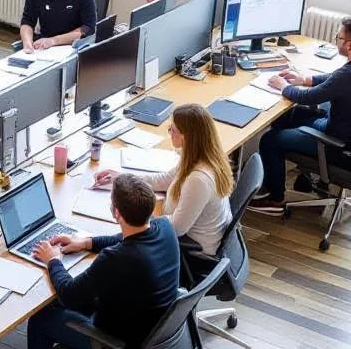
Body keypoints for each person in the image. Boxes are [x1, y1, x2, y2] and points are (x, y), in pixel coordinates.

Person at [251, 16, 351, 212]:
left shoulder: (350, 75)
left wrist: (283, 86)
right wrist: (304, 79)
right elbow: (335, 78)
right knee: (286, 117)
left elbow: (307, 97)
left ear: (349, 45)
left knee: (269, 140)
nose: (336, 40)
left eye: (338, 37)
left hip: (339, 146)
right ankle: (300, 175)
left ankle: (275, 199)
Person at [27, 174, 180, 349]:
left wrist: (53, 260)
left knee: (40, 319)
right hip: (147, 325)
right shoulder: (164, 227)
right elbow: (121, 238)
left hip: (117, 341)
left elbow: (68, 294)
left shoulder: (116, 258)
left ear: (116, 212)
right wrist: (85, 243)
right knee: (61, 301)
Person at [95, 104, 233, 256]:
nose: (170, 133)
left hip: (194, 251)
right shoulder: (201, 157)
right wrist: (122, 178)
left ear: (186, 137)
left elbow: (177, 228)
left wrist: (141, 217)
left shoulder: (199, 179)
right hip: (192, 236)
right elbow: (163, 180)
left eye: (172, 130)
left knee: (123, 245)